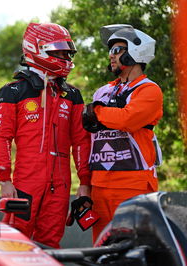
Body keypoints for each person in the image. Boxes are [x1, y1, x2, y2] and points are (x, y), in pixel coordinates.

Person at [0, 22, 92, 248]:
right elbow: (2, 138)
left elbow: (81, 142)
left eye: (67, 52)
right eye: (59, 51)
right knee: (15, 241)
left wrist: (85, 182)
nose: (65, 56)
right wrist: (5, 180)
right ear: (37, 48)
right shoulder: (13, 91)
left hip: (61, 184)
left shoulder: (72, 94)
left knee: (50, 244)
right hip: (26, 182)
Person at [82, 24, 163, 242]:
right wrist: (85, 186)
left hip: (132, 182)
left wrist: (97, 111)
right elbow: (89, 137)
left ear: (137, 51)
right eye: (110, 51)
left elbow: (128, 119)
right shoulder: (103, 91)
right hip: (99, 184)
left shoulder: (149, 90)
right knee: (101, 248)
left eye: (117, 50)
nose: (111, 56)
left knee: (132, 247)